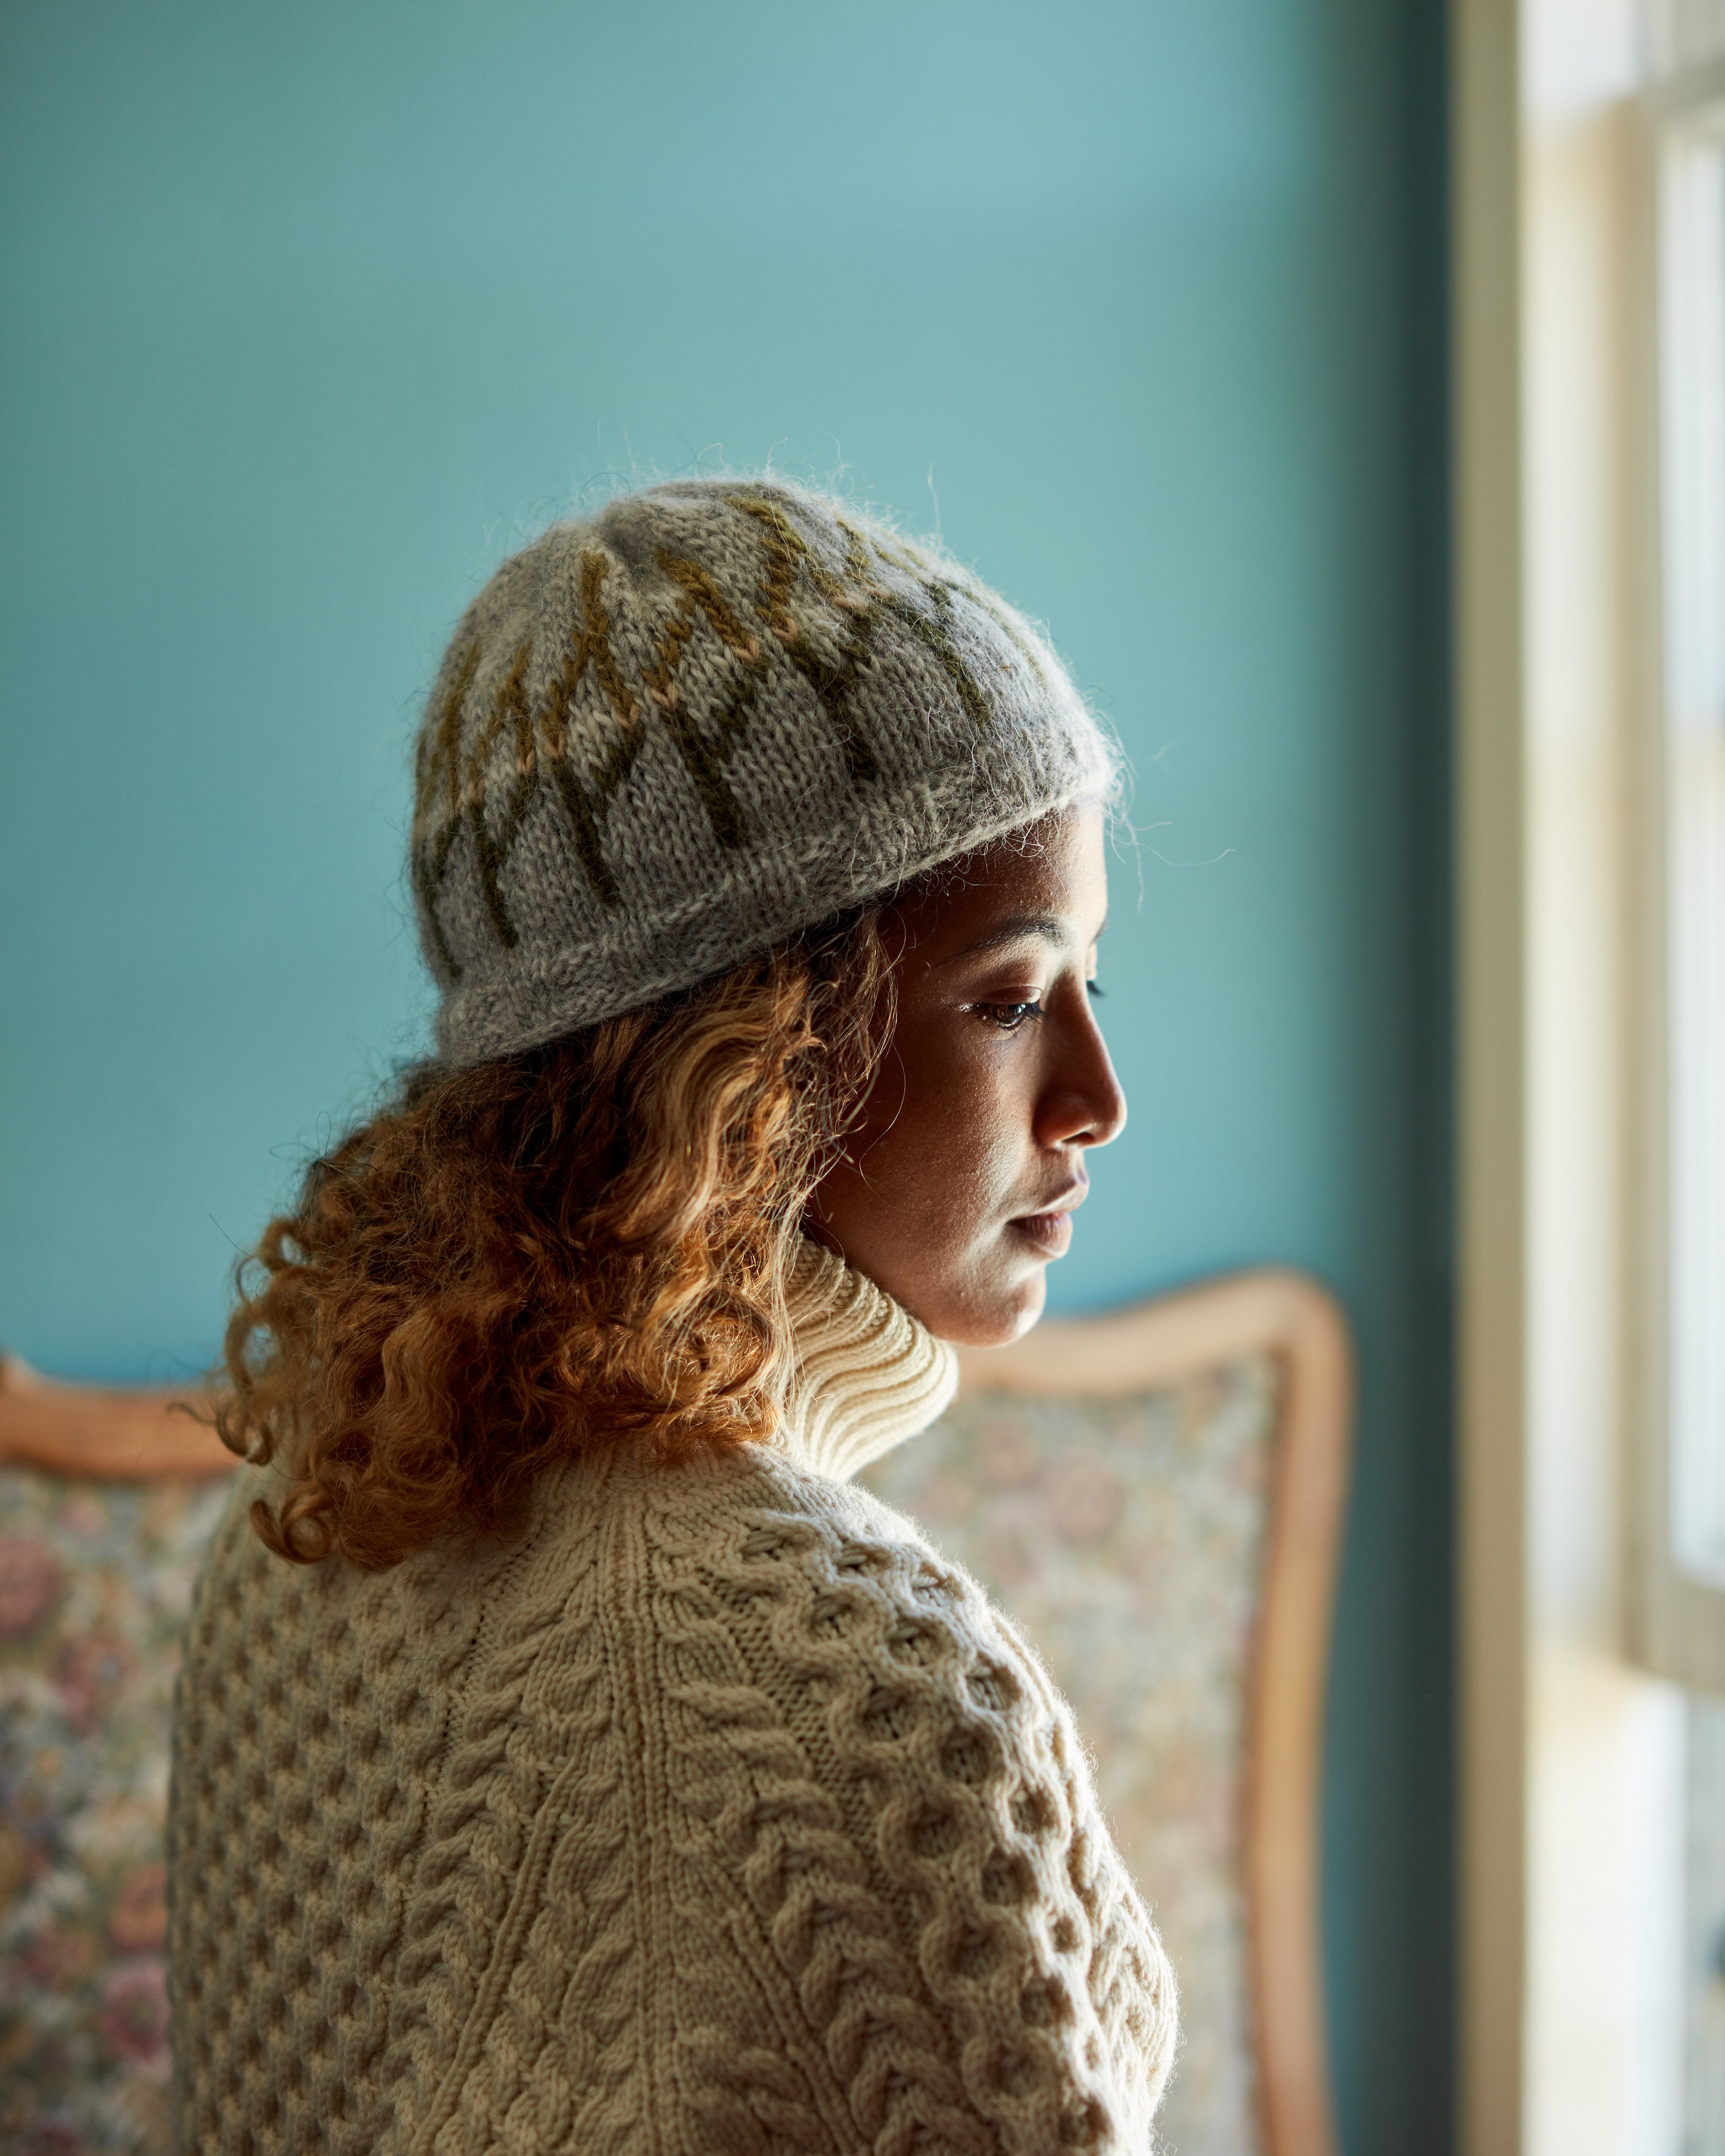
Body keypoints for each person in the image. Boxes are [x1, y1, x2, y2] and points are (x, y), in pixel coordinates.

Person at [166, 477, 1178, 2154]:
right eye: (1007, 998)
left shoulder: (298, 1531)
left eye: (1090, 978)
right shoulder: (871, 1693)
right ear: (746, 1057)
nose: (1097, 1094)